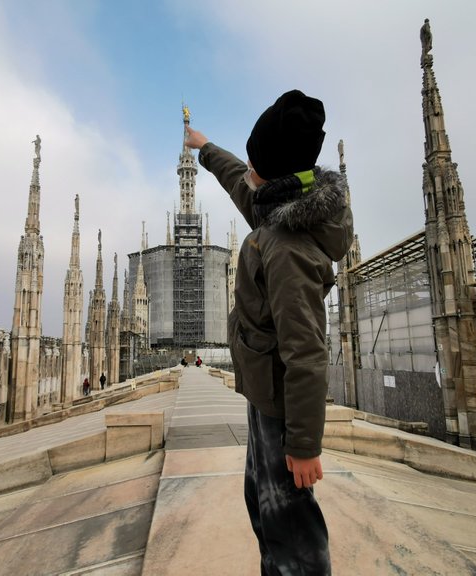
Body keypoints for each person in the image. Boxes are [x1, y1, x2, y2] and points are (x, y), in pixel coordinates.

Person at [185, 89, 354, 575]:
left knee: (291, 526)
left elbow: (306, 355)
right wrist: (206, 148)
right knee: (260, 501)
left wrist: (303, 446)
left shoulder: (287, 250)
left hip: (283, 406)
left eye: (258, 162)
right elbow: (243, 180)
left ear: (278, 175)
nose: (250, 172)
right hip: (266, 398)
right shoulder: (282, 202)